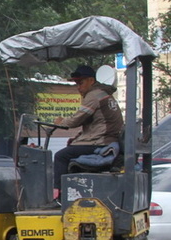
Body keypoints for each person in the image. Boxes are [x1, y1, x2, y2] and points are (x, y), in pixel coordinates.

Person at [52, 65, 124, 195]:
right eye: (76, 84)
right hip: (106, 139)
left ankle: (58, 194)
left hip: (100, 141)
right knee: (71, 146)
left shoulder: (94, 96)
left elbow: (75, 120)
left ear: (91, 80)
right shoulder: (105, 94)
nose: (78, 87)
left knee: (60, 156)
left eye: (81, 83)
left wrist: (61, 122)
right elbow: (92, 123)